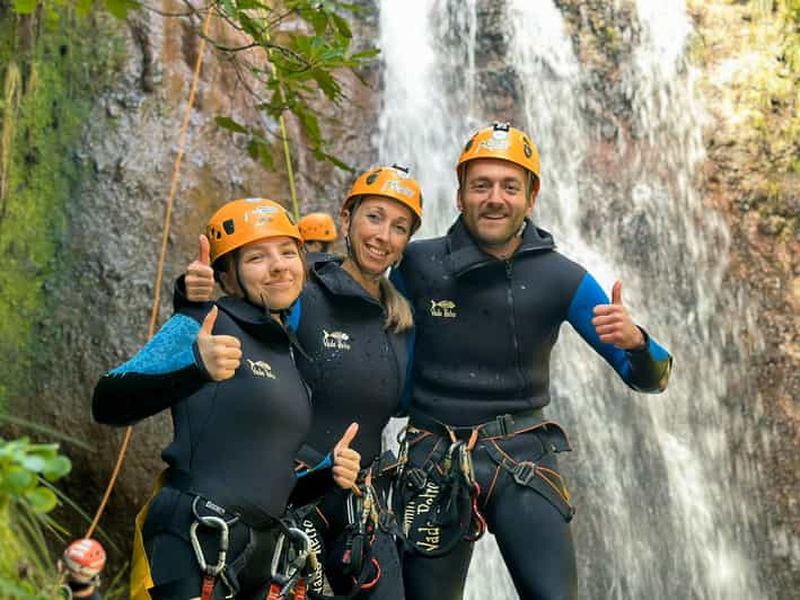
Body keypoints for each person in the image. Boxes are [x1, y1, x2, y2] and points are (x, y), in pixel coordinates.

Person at [391, 122, 673, 600]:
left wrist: (638, 343)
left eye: (509, 186)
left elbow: (650, 379)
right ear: (460, 195)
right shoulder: (418, 265)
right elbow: (362, 339)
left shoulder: (562, 278)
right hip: (431, 460)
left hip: (521, 459)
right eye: (481, 185)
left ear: (532, 195)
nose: (494, 198)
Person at [92, 198, 362, 600]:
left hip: (262, 552)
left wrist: (327, 473)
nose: (278, 265)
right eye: (256, 257)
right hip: (191, 539)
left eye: (288, 252)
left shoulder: (287, 349)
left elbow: (269, 479)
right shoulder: (203, 323)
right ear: (227, 276)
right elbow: (107, 402)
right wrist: (194, 367)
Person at [180, 165, 423, 599]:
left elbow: (408, 402)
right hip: (295, 492)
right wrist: (191, 294)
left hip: (361, 497)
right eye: (374, 217)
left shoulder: (402, 323)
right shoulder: (301, 290)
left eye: (399, 227)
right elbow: (240, 316)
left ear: (406, 243)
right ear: (346, 219)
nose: (383, 235)